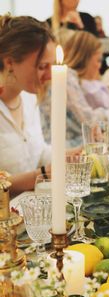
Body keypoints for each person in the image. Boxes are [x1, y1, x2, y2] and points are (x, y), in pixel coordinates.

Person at [0, 15, 56, 195]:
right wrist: (40, 175)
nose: (50, 76)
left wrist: (77, 154)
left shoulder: (29, 98)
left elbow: (39, 153)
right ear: (10, 62)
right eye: (42, 67)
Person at [40, 29, 109, 147]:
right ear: (85, 58)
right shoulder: (67, 77)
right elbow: (88, 120)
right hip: (60, 149)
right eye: (98, 60)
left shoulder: (75, 79)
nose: (100, 65)